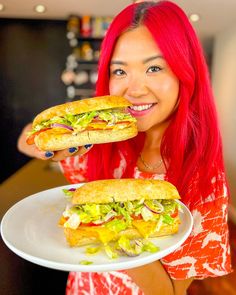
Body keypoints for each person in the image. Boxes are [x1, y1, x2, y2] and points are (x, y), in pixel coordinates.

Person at [17, 1, 232, 294]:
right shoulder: (104, 145)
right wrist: (58, 144)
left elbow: (169, 292)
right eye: (119, 72)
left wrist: (116, 227)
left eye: (154, 67)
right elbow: (27, 138)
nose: (134, 90)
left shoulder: (204, 180)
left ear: (186, 73)